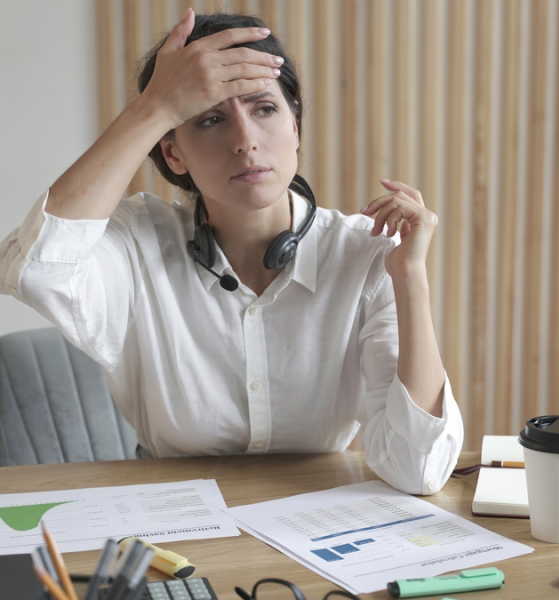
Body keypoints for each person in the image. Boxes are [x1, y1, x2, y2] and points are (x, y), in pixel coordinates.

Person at [0, 10, 463, 495]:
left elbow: (419, 469)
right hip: (172, 520)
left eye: (265, 109)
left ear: (296, 126)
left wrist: (410, 277)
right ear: (172, 152)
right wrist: (155, 107)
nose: (245, 141)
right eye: (211, 119)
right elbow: (37, 271)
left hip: (314, 520)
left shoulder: (364, 252)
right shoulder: (137, 242)